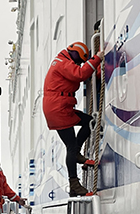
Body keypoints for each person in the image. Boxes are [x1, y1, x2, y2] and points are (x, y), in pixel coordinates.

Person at [42, 39, 103, 196]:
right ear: (76, 54)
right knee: (70, 144)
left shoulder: (62, 61)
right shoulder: (63, 63)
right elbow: (80, 74)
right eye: (80, 60)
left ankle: (76, 153)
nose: (79, 63)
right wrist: (98, 58)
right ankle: (74, 184)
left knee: (90, 122)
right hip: (59, 109)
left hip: (60, 107)